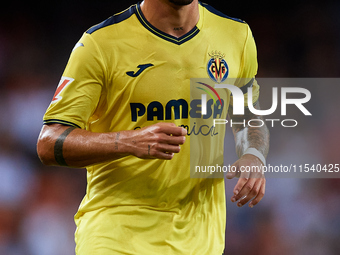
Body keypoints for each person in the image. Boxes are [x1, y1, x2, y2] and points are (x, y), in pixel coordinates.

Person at [37, 0, 269, 254]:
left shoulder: (236, 35)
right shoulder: (99, 44)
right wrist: (128, 141)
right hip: (116, 235)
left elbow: (247, 116)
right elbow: (49, 142)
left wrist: (253, 155)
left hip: (200, 240)